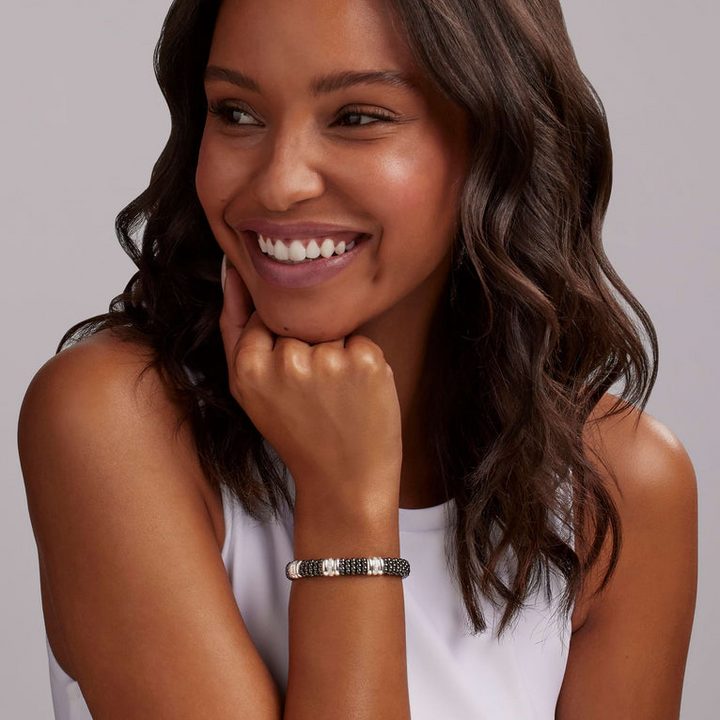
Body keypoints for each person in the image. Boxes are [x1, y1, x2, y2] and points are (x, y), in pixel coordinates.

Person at [18, 0, 697, 718]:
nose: (280, 184)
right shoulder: (115, 420)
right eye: (238, 113)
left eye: (357, 117)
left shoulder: (618, 489)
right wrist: (345, 501)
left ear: (495, 138)